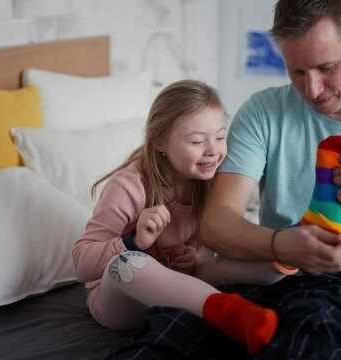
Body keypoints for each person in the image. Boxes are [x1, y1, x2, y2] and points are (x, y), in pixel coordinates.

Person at [109, 1, 341, 359]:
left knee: (310, 337)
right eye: (296, 72)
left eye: (326, 68)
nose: (312, 89)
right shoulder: (263, 112)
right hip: (275, 276)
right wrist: (280, 245)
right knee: (173, 328)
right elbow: (217, 223)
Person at [72, 80, 295, 355]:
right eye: (198, 141)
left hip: (183, 282)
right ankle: (230, 312)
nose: (213, 150)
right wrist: (133, 242)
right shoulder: (128, 186)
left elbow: (208, 250)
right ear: (160, 142)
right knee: (130, 264)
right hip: (121, 304)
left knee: (257, 256)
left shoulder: (212, 179)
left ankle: (294, 250)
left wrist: (195, 256)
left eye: (221, 136)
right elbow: (82, 264)